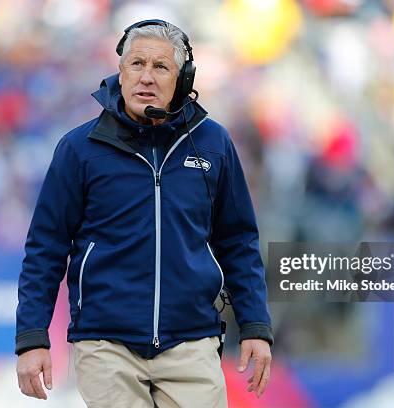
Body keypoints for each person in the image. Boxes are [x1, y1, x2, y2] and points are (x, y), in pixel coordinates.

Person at [15, 19, 273, 407]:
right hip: (105, 344)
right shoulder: (79, 149)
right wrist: (31, 337)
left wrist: (255, 325)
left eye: (161, 67)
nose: (146, 77)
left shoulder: (214, 143)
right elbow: (45, 249)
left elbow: (238, 241)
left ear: (182, 80)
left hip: (192, 340)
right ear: (120, 72)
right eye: (136, 64)